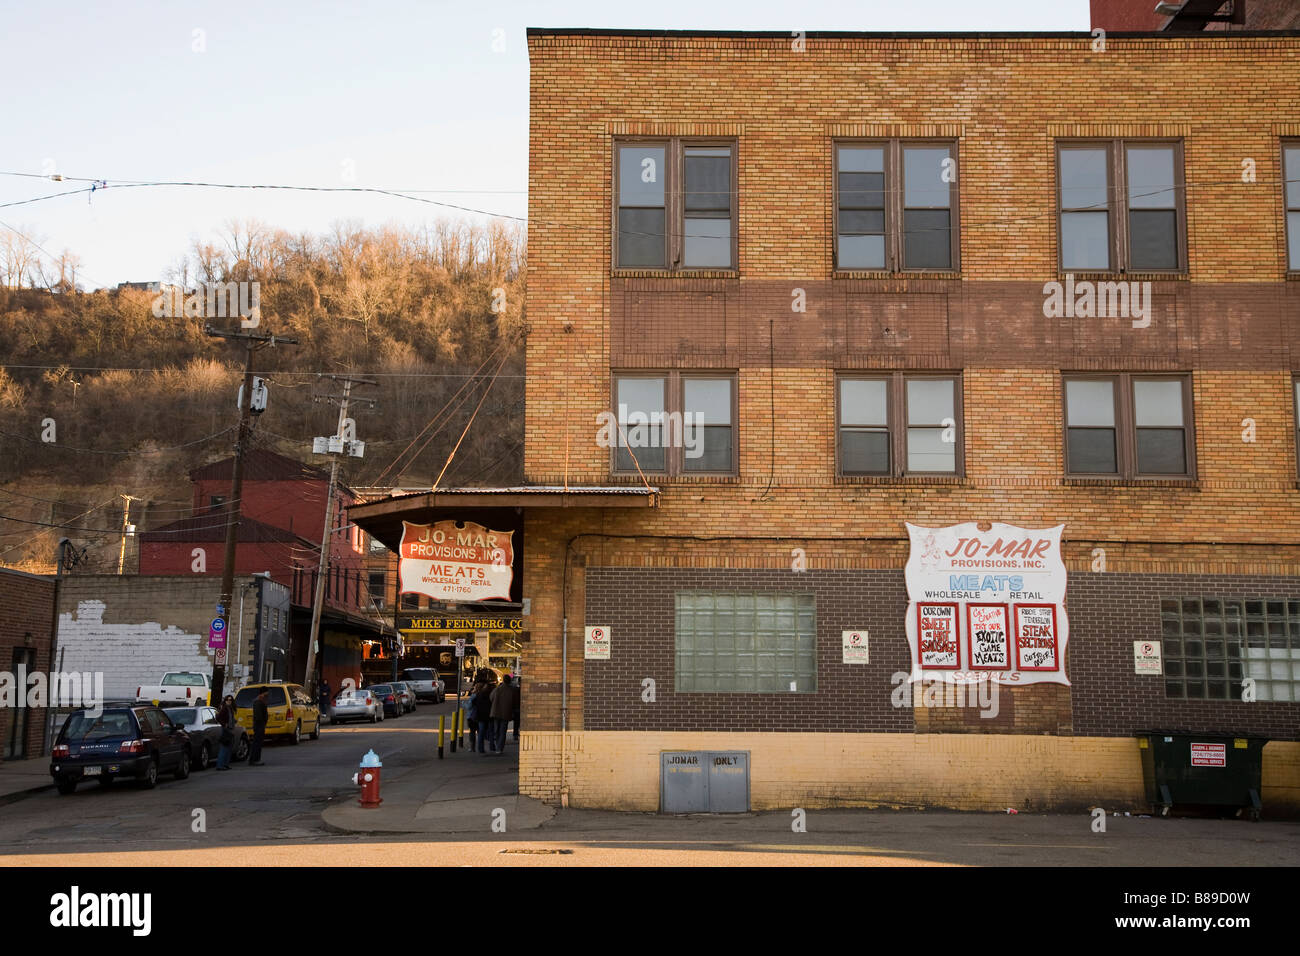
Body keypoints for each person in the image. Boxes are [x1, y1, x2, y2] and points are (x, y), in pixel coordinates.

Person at [490, 674, 513, 754]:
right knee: (503, 731)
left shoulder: (497, 689)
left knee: (496, 730)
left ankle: (497, 745)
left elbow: (491, 698)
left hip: (496, 712)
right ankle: (499, 748)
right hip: (506, 713)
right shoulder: (511, 690)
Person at [215, 694, 237, 770]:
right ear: (225, 701)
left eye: (230, 700)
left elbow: (230, 718)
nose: (229, 701)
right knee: (224, 748)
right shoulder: (224, 708)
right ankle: (220, 765)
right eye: (227, 700)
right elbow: (218, 718)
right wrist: (224, 724)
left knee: (229, 748)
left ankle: (225, 764)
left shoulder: (230, 708)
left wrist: (233, 721)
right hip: (225, 730)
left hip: (230, 729)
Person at [472, 681, 495, 754]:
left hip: (481, 716)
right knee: (491, 732)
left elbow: (473, 703)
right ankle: (492, 747)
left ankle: (480, 748)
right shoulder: (491, 695)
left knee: (481, 732)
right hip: (489, 715)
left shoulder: (479, 694)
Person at [249, 689, 269, 765]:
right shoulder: (258, 701)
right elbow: (258, 715)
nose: (268, 694)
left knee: (258, 742)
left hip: (260, 724)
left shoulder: (261, 700)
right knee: (257, 742)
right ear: (263, 692)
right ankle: (254, 759)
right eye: (267, 692)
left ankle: (255, 759)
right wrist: (262, 722)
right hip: (259, 725)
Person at [511, 676, 521, 741]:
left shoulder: (516, 690)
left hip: (517, 708)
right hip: (518, 708)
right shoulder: (517, 690)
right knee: (517, 723)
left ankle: (515, 734)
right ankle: (516, 734)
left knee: (516, 723)